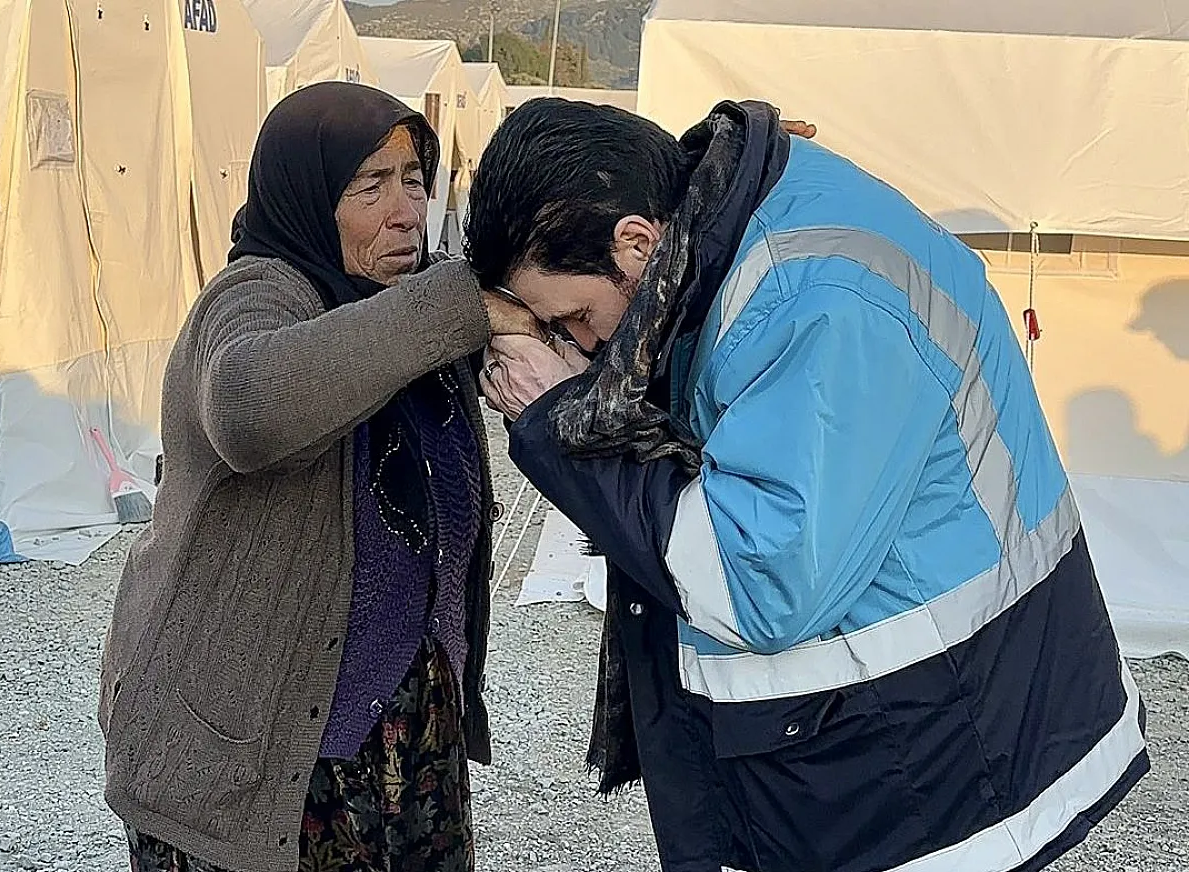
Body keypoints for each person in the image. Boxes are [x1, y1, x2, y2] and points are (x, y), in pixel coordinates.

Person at [467, 98, 1149, 872]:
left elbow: (759, 585)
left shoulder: (816, 300)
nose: (586, 347)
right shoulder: (739, 211)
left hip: (932, 768)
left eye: (578, 318)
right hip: (910, 733)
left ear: (636, 242)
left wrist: (564, 423)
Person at [97, 83, 535, 872]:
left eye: (414, 180)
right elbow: (249, 409)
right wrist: (450, 306)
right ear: (307, 192)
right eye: (370, 186)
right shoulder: (258, 294)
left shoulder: (408, 308)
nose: (406, 212)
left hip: (405, 738)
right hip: (251, 755)